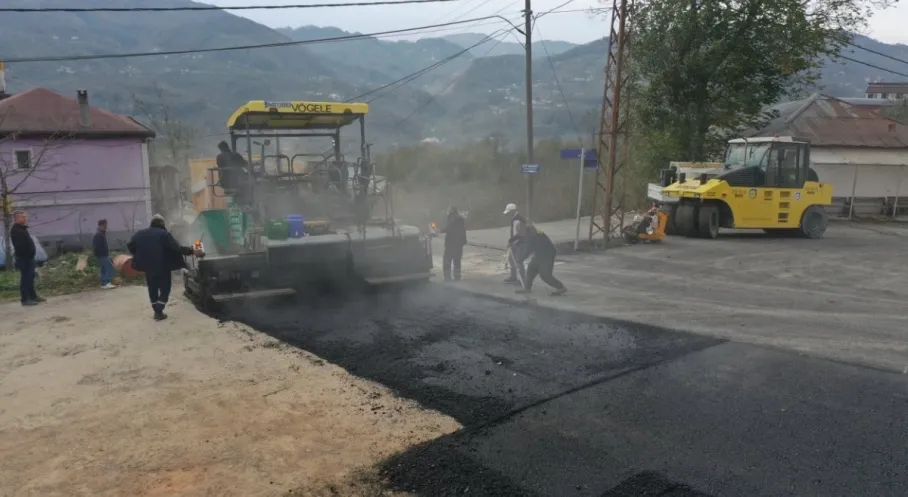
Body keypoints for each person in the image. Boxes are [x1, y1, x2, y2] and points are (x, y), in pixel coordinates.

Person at [127, 214, 201, 321]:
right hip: (162, 267)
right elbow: (177, 248)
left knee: (152, 289)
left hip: (149, 268)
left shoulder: (140, 234)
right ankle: (159, 310)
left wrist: (140, 254)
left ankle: (156, 309)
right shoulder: (164, 234)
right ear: (162, 223)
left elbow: (131, 246)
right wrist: (192, 251)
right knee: (165, 289)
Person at [511, 222, 566, 296]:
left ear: (524, 228)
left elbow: (529, 249)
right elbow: (519, 236)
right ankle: (527, 288)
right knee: (531, 268)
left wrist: (520, 259)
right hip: (539, 254)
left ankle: (560, 287)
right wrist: (511, 241)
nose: (519, 233)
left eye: (520, 231)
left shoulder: (534, 234)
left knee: (544, 274)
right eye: (518, 231)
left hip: (548, 254)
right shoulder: (527, 231)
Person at [9, 210, 45, 306]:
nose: (25, 219)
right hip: (24, 258)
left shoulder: (22, 229)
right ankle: (25, 299)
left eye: (25, 217)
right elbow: (20, 246)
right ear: (17, 219)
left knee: (31, 277)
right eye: (22, 217)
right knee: (26, 278)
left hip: (28, 258)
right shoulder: (16, 230)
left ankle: (33, 296)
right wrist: (27, 254)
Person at [440, 206, 467, 281]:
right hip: (459, 244)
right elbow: (463, 231)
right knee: (457, 262)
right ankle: (457, 278)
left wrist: (439, 231)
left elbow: (449, 228)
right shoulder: (460, 219)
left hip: (451, 244)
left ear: (451, 211)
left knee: (447, 261)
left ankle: (447, 278)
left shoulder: (452, 218)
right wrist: (463, 241)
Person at [502, 203, 526, 284]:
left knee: (518, 261)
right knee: (511, 259)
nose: (508, 214)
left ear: (513, 211)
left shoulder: (517, 220)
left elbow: (518, 234)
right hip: (516, 242)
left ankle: (522, 279)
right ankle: (513, 276)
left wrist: (510, 242)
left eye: (509, 212)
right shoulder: (515, 218)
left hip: (519, 243)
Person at [93, 219, 116, 289]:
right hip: (102, 255)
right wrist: (101, 255)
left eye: (106, 225)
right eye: (105, 225)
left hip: (103, 255)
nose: (106, 226)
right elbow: (97, 246)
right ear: (101, 225)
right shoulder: (98, 235)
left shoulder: (101, 233)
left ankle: (103, 284)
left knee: (104, 269)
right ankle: (107, 282)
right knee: (110, 268)